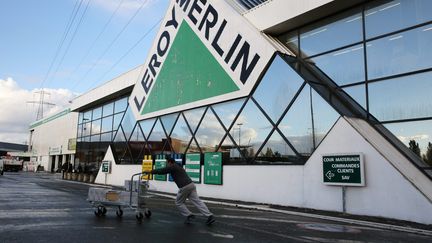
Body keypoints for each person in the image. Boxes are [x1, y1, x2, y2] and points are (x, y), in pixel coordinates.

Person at [149, 157, 216, 225]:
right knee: (197, 201)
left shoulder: (173, 166)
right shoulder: (178, 166)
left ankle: (189, 215)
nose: (166, 164)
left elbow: (162, 170)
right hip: (191, 185)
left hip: (184, 186)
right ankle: (209, 216)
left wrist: (151, 171)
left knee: (178, 202)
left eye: (167, 163)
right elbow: (163, 172)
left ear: (169, 162)